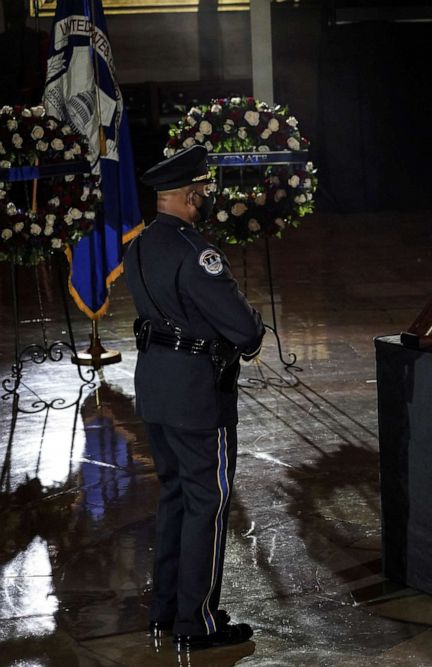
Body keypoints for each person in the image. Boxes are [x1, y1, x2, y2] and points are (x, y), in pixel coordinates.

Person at [124, 145, 265, 650]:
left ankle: (167, 610)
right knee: (208, 501)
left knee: (176, 498)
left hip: (155, 388)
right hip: (197, 395)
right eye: (202, 194)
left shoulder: (137, 247)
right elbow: (244, 329)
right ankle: (197, 622)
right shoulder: (195, 253)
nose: (204, 202)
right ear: (188, 196)